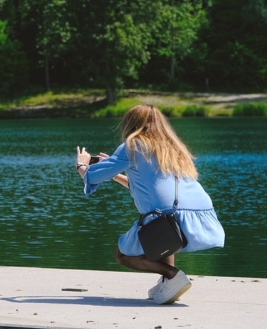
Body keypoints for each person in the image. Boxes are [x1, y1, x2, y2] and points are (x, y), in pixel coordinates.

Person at [75, 104, 224, 304]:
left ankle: (172, 275)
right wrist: (117, 173)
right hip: (201, 216)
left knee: (123, 254)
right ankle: (167, 283)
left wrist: (82, 164)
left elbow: (92, 175)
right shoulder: (173, 148)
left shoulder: (132, 145)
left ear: (130, 124)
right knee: (163, 228)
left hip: (171, 218)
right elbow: (150, 190)